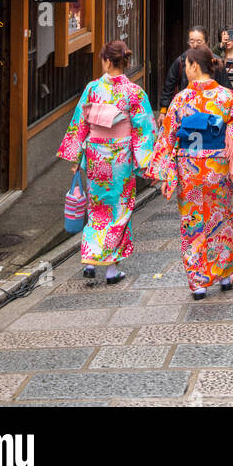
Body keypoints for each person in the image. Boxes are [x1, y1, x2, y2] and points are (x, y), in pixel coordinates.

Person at [148, 44, 233, 299]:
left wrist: (165, 173)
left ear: (194, 66)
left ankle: (198, 282)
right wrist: (230, 136)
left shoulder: (181, 99)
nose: (185, 69)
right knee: (222, 217)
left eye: (186, 65)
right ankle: (224, 274)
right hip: (218, 168)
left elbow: (168, 136)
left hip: (189, 170)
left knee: (192, 222)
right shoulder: (226, 96)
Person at [58, 39, 156, 286]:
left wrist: (76, 157)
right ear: (124, 61)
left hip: (95, 156)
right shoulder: (133, 92)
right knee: (119, 210)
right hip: (120, 158)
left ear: (106, 60)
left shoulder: (92, 88)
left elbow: (80, 123)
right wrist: (145, 162)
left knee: (97, 208)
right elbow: (145, 129)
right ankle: (111, 269)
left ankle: (90, 260)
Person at [161, 28, 231, 119]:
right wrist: (163, 111)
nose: (194, 45)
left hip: (215, 115)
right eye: (191, 41)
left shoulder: (215, 61)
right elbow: (169, 85)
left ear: (206, 42)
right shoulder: (182, 60)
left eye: (199, 41)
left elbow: (226, 85)